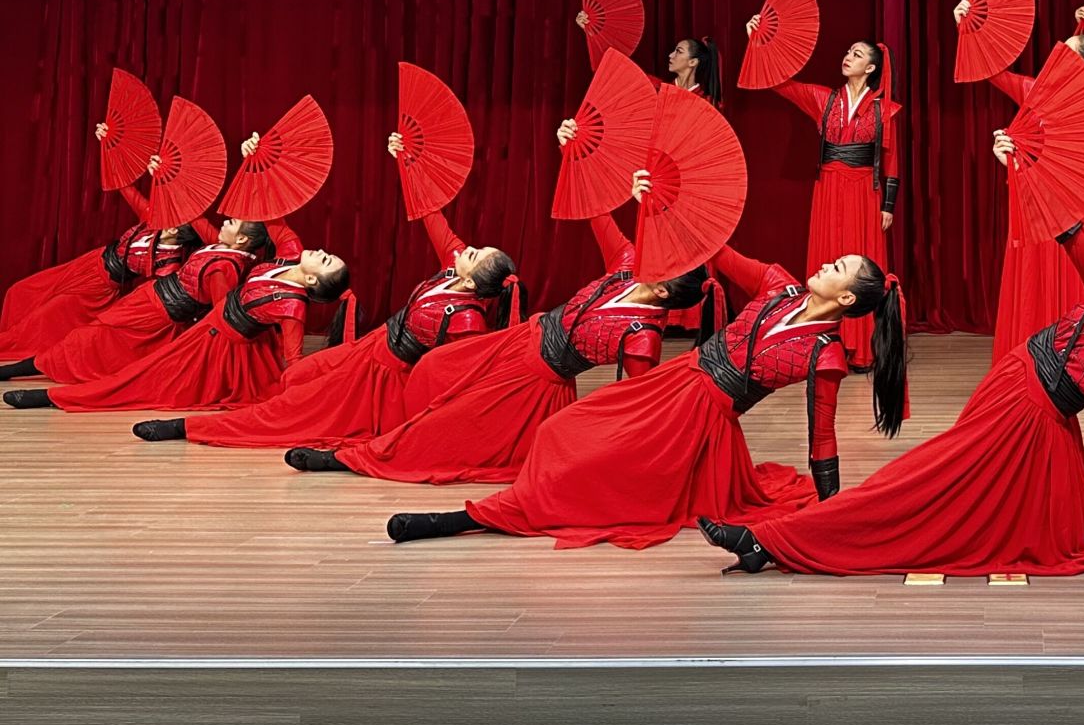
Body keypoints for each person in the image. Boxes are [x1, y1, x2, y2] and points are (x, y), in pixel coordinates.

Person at [696, 129, 1084, 583]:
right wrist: (1022, 165)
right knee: (931, 482)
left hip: (1027, 429)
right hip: (1009, 384)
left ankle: (769, 542)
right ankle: (790, 537)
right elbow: (1067, 229)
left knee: (919, 484)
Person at [384, 241, 905, 550]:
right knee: (562, 428)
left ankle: (469, 518)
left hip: (699, 420)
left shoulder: (826, 355)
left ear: (845, 298)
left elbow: (821, 438)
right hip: (671, 383)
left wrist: (828, 510)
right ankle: (494, 507)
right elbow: (715, 247)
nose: (826, 264)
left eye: (838, 268)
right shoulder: (777, 285)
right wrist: (662, 200)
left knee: (594, 467)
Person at [282, 140, 699, 484]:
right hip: (516, 341)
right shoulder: (625, 264)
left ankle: (357, 457)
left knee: (457, 422)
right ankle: (387, 436)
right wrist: (576, 152)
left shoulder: (644, 336)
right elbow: (595, 211)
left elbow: (636, 401)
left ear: (663, 289)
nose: (657, 251)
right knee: (435, 373)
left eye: (667, 261)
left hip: (537, 380)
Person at [136, 135, 515, 449]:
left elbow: (460, 373)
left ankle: (190, 427)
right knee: (299, 379)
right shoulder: (452, 265)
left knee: (299, 410)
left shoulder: (467, 319)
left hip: (384, 376)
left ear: (472, 283)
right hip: (366, 349)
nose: (467, 248)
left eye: (475, 255)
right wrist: (256, 165)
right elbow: (431, 212)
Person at [0, 138, 279, 386]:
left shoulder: (218, 266)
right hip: (135, 292)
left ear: (242, 239)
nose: (225, 221)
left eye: (233, 222)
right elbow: (188, 209)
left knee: (87, 338)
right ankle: (29, 365)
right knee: (37, 302)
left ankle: (27, 370)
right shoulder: (215, 244)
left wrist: (196, 347)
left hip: (153, 309)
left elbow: (218, 313)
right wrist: (164, 174)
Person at [7, 238, 347, 415]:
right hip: (205, 331)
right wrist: (256, 163)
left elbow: (293, 358)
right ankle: (35, 379)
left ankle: (51, 397)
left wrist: (308, 391)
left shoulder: (292, 306)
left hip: (219, 351)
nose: (322, 251)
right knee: (138, 371)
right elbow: (273, 216)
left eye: (326, 259)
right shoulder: (287, 257)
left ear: (313, 280)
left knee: (146, 382)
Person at [952, 0, 1084, 359]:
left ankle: (1064, 359)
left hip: (1071, 205)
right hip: (1032, 198)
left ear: (1082, 66)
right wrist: (969, 26)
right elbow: (994, 72)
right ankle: (1025, 359)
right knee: (1029, 281)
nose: (1057, 55)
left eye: (1067, 52)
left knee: (1067, 278)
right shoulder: (1036, 91)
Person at [0, 122, 198, 366]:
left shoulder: (169, 262)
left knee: (43, 319)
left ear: (178, 230)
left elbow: (154, 300)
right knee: (21, 291)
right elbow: (123, 185)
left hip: (99, 290)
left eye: (173, 217)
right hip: (87, 264)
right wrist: (108, 145)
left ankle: (17, 353)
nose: (165, 213)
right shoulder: (150, 218)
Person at [759, 30, 899, 368]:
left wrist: (888, 206)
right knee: (828, 258)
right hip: (829, 188)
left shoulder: (884, 110)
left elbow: (892, 161)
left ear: (871, 68)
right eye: (848, 51)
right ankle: (818, 341)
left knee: (859, 265)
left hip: (865, 191)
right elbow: (780, 83)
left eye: (857, 54)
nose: (848, 57)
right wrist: (762, 41)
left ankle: (862, 347)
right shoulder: (824, 99)